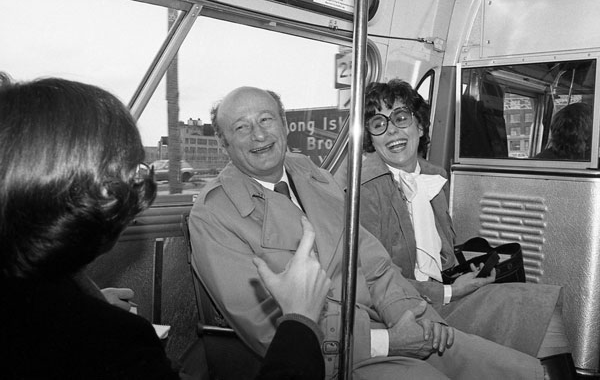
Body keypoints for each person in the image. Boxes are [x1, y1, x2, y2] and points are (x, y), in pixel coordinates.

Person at [189, 85, 550, 380]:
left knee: (512, 370)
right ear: (224, 145)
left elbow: (374, 262)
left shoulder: (310, 174)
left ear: (284, 126)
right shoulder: (213, 215)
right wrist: (388, 341)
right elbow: (270, 330)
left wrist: (411, 316)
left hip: (383, 320)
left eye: (266, 120)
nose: (258, 135)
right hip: (331, 354)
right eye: (241, 127)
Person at [0, 77, 329, 380]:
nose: (134, 189)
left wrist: (86, 300)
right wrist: (300, 319)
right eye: (129, 171)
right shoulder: (117, 343)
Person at [334, 78, 575, 377]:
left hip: (445, 293)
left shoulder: (434, 178)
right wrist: (447, 292)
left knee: (540, 302)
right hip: (408, 308)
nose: (392, 130)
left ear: (420, 126)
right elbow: (377, 280)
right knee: (516, 361)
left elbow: (441, 254)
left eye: (400, 117)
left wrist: (460, 282)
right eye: (378, 123)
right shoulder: (362, 190)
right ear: (371, 138)